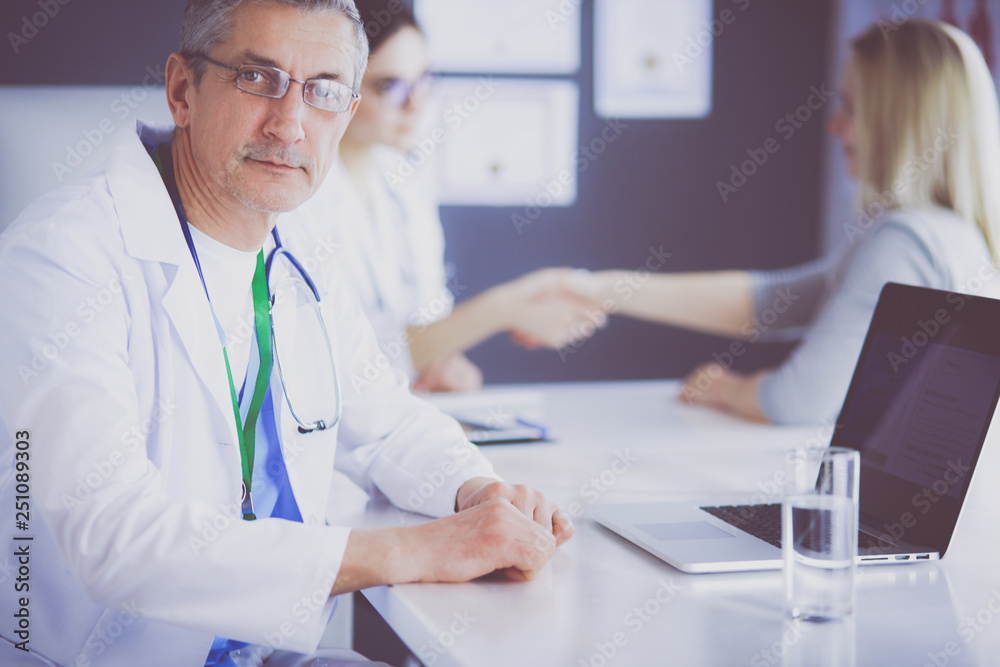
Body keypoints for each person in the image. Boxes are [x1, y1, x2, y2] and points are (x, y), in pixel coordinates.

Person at [0, 1, 573, 665]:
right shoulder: (59, 259)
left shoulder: (299, 243)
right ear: (183, 90)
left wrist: (481, 494)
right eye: (257, 78)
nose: (290, 124)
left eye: (324, 92)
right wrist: (412, 551)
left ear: (347, 115)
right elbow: (114, 539)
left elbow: (387, 423)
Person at [569, 19, 1000, 425]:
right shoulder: (941, 235)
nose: (834, 126)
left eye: (850, 108)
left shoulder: (906, 240)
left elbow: (797, 400)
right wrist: (601, 290)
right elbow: (775, 302)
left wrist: (726, 388)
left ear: (901, 124)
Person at [308, 0, 601, 393]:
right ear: (338, 88)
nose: (416, 104)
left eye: (424, 81)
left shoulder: (404, 183)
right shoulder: (299, 198)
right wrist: (503, 308)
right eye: (389, 86)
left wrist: (445, 362)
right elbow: (339, 359)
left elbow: (428, 326)